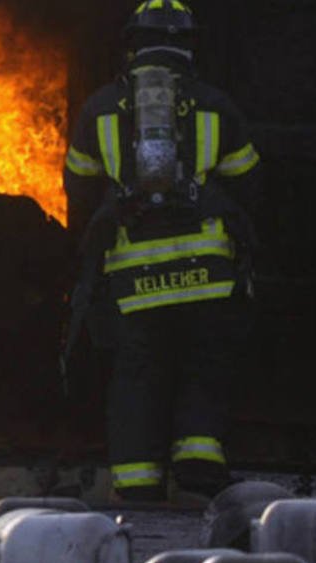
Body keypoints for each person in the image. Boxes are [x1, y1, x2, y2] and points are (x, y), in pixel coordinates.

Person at [63, 0, 261, 502]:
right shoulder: (217, 104)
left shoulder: (100, 107)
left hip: (134, 280)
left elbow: (80, 191)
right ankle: (197, 463)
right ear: (189, 45)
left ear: (131, 44)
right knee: (204, 363)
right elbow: (250, 186)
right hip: (207, 275)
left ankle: (136, 483)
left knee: (136, 377)